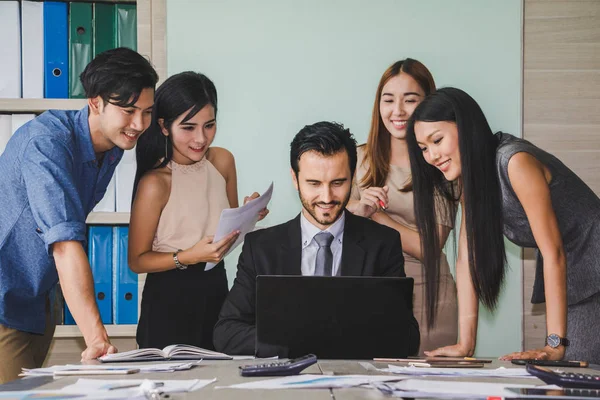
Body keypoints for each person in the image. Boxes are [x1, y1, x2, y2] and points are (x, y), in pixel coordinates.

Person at [406, 87, 600, 363]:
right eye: (423, 148)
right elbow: (466, 259)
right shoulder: (472, 181)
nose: (432, 156)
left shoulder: (514, 162)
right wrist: (465, 343)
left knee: (576, 370)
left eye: (437, 140)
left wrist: (554, 345)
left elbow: (553, 250)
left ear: (466, 127)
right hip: (577, 271)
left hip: (590, 258)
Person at [0, 48, 158, 382]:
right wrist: (96, 337)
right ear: (95, 102)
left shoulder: (113, 146)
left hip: (37, 299)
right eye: (129, 111)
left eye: (146, 112)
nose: (139, 124)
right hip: (4, 296)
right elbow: (64, 243)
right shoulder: (46, 143)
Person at [214, 121, 420, 356]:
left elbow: (406, 337)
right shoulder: (261, 247)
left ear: (352, 177)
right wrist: (300, 341)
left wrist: (321, 339)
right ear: (295, 179)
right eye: (314, 183)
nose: (326, 197)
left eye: (338, 182)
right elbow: (227, 332)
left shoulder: (383, 244)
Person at [128, 71, 267, 350]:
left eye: (209, 125)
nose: (201, 138)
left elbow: (222, 230)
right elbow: (137, 261)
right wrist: (189, 257)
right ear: (164, 127)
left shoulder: (223, 161)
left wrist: (248, 214)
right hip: (169, 299)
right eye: (188, 127)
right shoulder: (155, 183)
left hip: (217, 289)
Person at [347, 59, 458, 354]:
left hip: (430, 297)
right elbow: (331, 225)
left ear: (427, 104)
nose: (398, 111)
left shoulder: (439, 161)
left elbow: (430, 247)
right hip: (368, 294)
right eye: (389, 100)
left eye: (410, 100)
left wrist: (378, 216)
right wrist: (357, 210)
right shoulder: (356, 159)